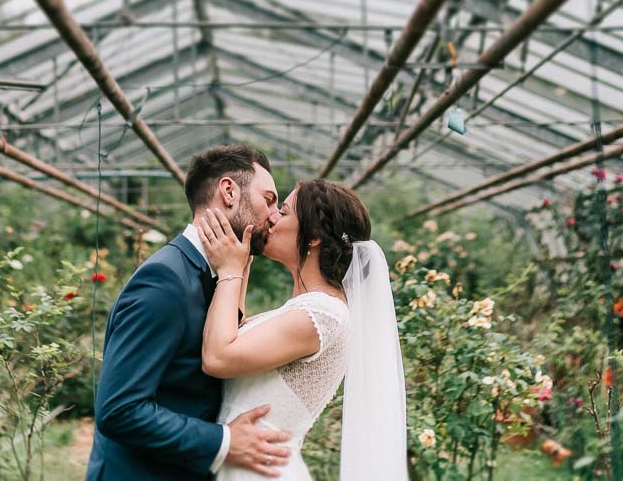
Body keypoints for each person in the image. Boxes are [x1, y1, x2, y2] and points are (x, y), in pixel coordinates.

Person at [87, 145, 295, 480]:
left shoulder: (213, 274)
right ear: (228, 191)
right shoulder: (165, 279)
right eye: (268, 199)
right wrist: (224, 441)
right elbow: (119, 409)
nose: (274, 215)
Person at [195, 179, 407, 480]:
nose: (271, 218)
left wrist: (229, 270)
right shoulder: (305, 308)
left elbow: (218, 357)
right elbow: (232, 333)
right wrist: (241, 264)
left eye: (283, 212)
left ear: (313, 238)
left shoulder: (323, 314)